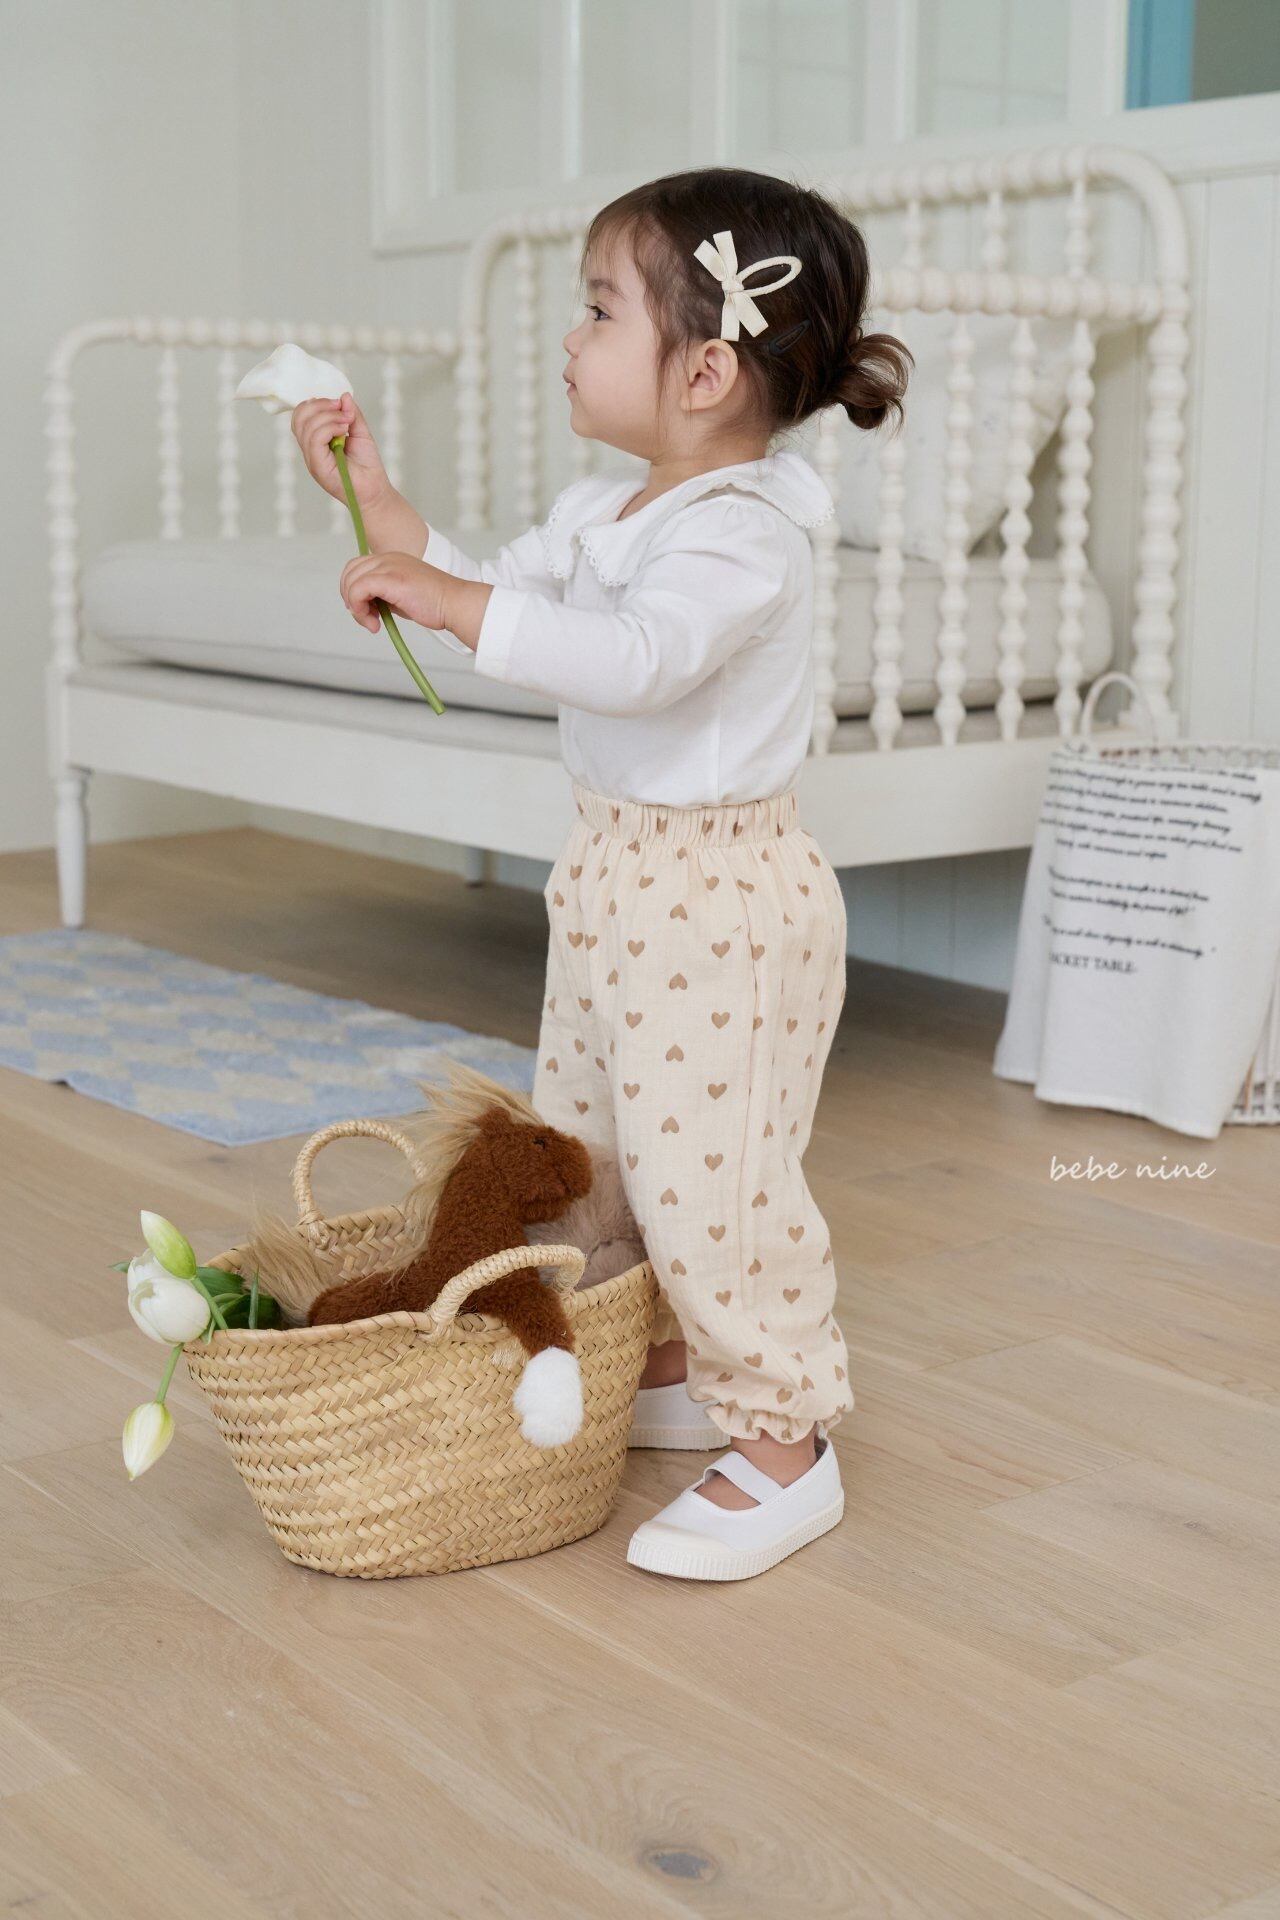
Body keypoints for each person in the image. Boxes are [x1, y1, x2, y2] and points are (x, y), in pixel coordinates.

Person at [293, 165, 911, 1580]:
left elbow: (635, 662)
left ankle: (786, 1440)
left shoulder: (744, 533)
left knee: (714, 1181)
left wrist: (460, 605)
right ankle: (669, 1358)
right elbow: (491, 585)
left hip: (721, 904)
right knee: (591, 1153)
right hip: (616, 886)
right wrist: (376, 501)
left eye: (596, 311)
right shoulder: (607, 509)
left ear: (702, 372)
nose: (568, 340)